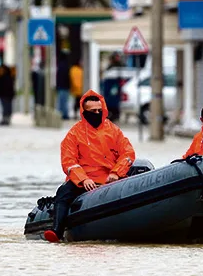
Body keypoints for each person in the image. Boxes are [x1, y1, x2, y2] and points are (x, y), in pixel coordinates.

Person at [44, 90, 136, 242]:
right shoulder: (74, 134)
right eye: (93, 111)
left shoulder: (113, 130)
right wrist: (83, 179)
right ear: (84, 112)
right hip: (84, 180)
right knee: (63, 193)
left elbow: (128, 153)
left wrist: (116, 173)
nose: (97, 113)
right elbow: (68, 161)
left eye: (100, 110)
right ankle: (57, 231)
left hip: (111, 178)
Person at [56, 53, 71, 120]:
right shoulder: (67, 66)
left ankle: (60, 114)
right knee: (65, 101)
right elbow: (68, 77)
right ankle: (65, 114)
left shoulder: (59, 66)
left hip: (60, 86)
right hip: (65, 86)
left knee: (60, 101)